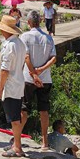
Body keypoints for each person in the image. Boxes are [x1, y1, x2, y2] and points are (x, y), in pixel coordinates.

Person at [20, 10, 57, 150]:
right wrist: (41, 70)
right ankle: (45, 142)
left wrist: (34, 74)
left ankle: (17, 139)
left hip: (28, 79)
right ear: (40, 21)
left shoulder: (25, 36)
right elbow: (54, 58)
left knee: (24, 108)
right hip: (46, 79)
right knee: (44, 110)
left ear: (29, 22)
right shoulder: (48, 38)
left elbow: (26, 57)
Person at [0, 14, 26, 158]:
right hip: (19, 83)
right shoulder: (20, 44)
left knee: (14, 119)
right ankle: (16, 144)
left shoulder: (9, 46)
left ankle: (17, 147)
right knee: (15, 116)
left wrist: (0, 88)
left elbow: (5, 70)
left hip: (11, 85)